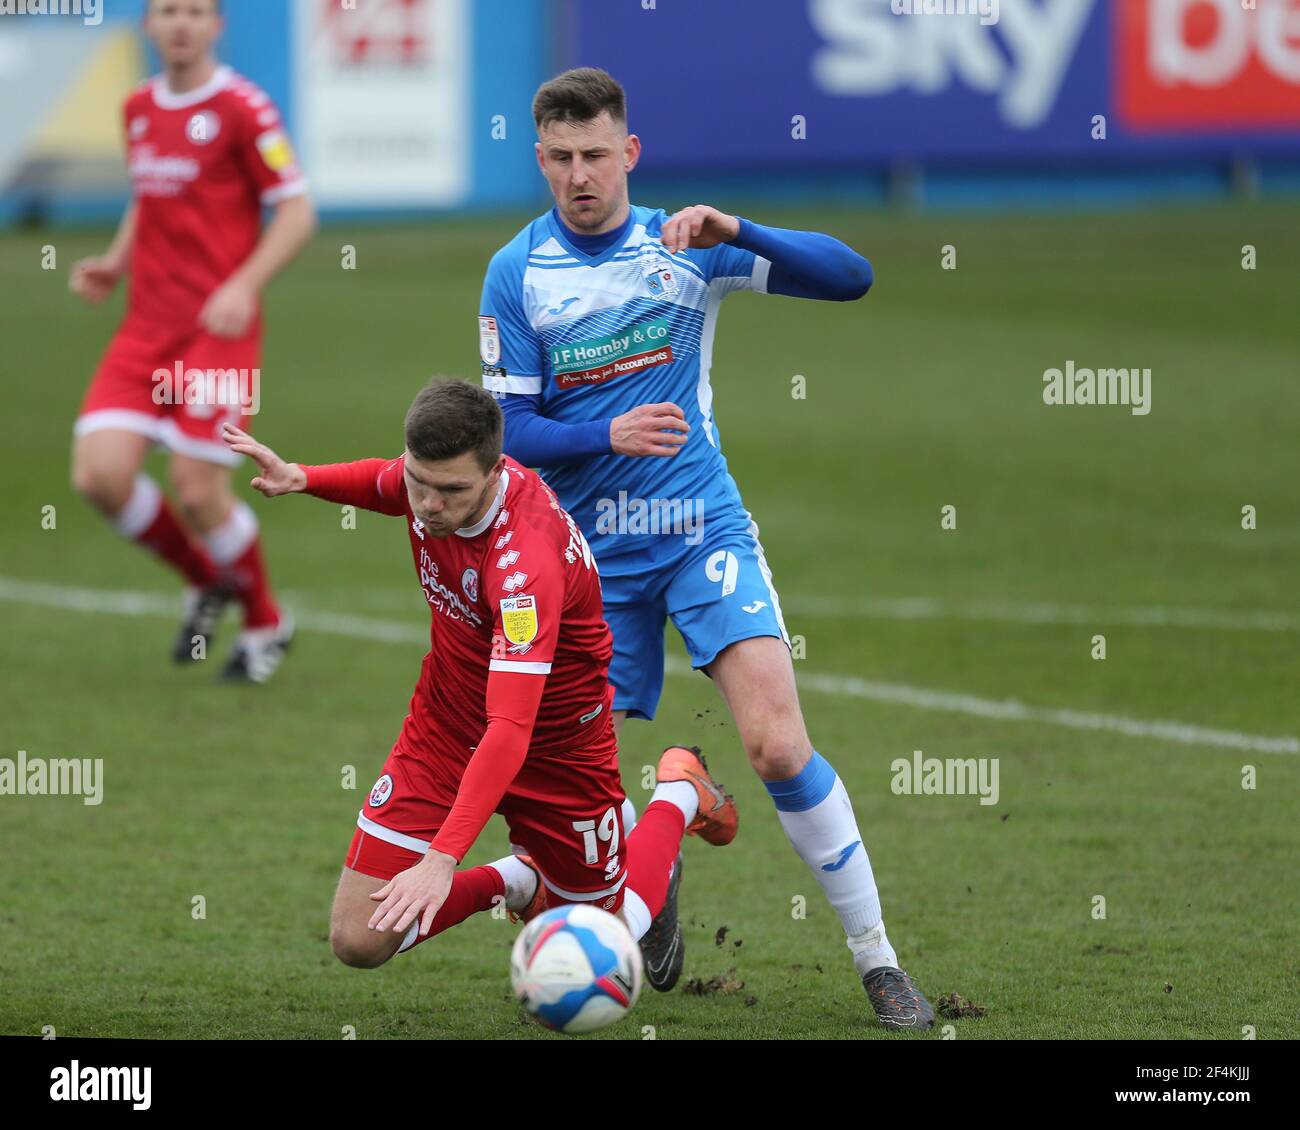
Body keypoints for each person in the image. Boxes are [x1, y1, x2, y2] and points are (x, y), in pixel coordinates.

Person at [478, 67, 932, 1026]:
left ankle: (879, 961)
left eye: (596, 155)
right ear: (540, 161)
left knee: (775, 746)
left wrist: (742, 232)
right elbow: (508, 436)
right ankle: (669, 827)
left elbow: (853, 279)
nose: (579, 176)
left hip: (698, 530)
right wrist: (606, 435)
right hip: (584, 562)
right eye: (559, 159)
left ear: (629, 152)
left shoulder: (684, 247)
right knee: (572, 810)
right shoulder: (517, 272)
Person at [221, 380, 737, 971]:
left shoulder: (524, 568)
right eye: (420, 480)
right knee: (358, 941)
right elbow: (385, 482)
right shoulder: (433, 482)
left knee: (603, 946)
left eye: (451, 490)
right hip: (442, 731)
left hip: (556, 751)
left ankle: (675, 795)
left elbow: (511, 728)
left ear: (494, 475)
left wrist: (443, 857)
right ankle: (516, 881)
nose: (428, 505)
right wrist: (303, 477)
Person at [69, 0, 315, 682]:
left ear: (217, 25)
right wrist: (116, 262)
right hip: (145, 329)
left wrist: (243, 286)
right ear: (148, 24)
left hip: (218, 336)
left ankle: (266, 620)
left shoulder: (245, 107)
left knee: (199, 491)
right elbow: (147, 199)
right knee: (99, 476)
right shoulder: (139, 107)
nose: (181, 23)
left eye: (195, 11)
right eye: (167, 10)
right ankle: (209, 578)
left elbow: (297, 209)